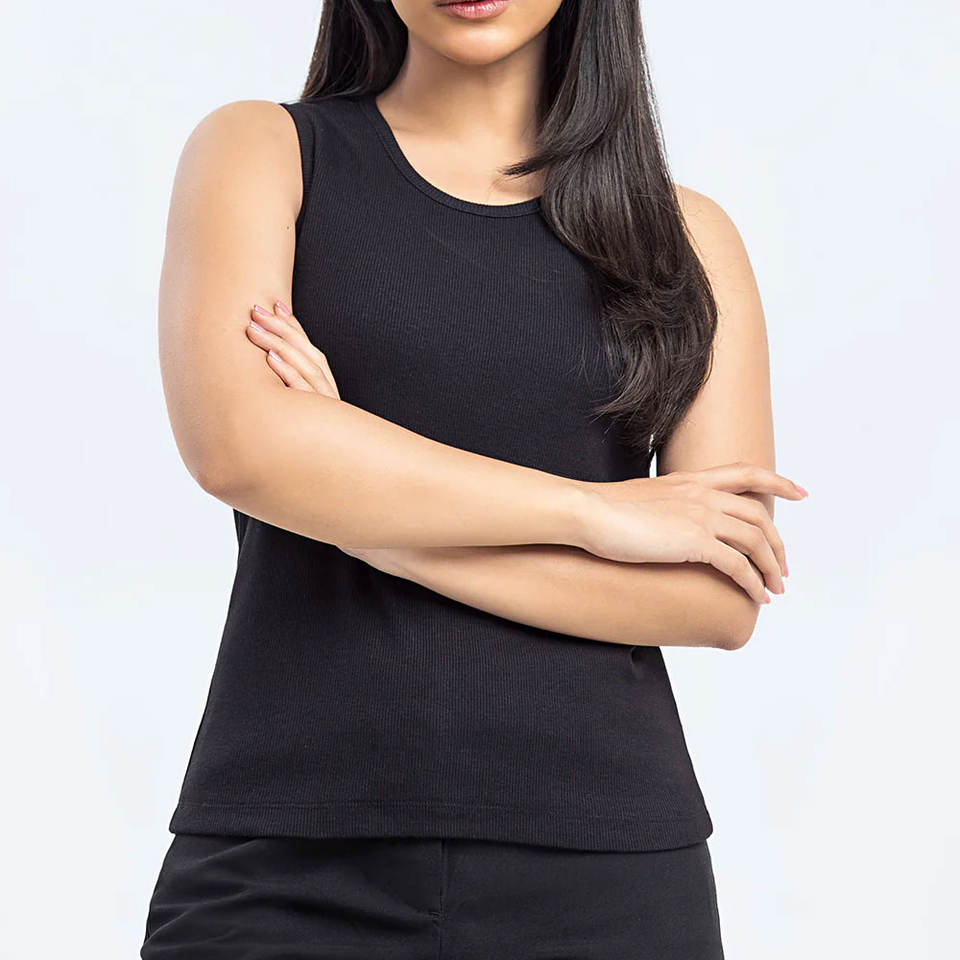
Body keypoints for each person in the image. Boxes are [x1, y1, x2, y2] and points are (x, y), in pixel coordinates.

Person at [142, 0, 808, 956]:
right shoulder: (264, 151)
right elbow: (238, 449)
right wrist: (593, 514)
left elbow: (719, 594)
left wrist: (355, 511)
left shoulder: (687, 236)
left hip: (605, 874)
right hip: (286, 856)